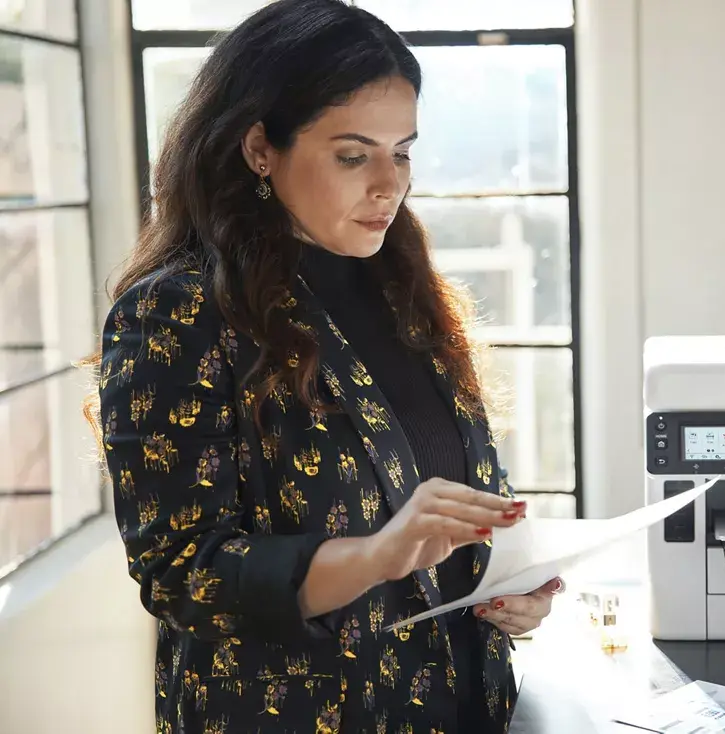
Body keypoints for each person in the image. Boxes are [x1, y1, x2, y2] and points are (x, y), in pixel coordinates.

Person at [88, 1, 564, 731]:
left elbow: (451, 513)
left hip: (467, 705)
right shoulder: (176, 314)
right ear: (258, 149)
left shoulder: (403, 290)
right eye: (353, 155)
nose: (389, 183)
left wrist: (510, 590)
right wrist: (375, 555)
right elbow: (183, 573)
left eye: (401, 151)